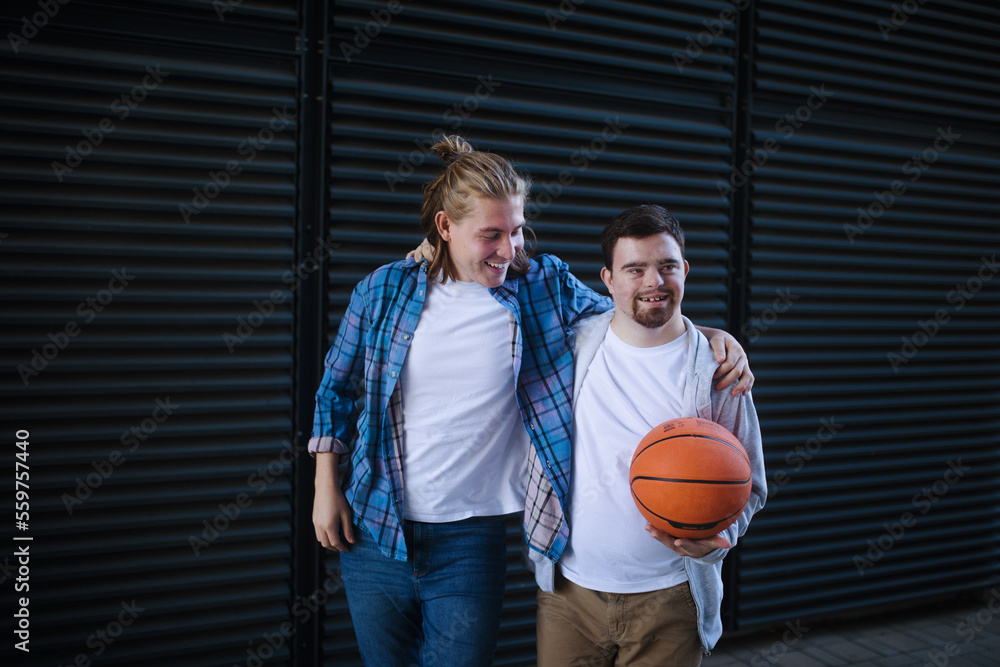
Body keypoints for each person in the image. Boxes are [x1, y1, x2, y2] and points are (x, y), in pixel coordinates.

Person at [309, 136, 753, 666]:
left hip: (471, 535)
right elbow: (335, 388)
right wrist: (325, 485)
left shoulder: (542, 287)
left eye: (517, 231)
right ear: (446, 227)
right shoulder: (384, 291)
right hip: (374, 522)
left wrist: (708, 336)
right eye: (490, 235)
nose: (510, 249)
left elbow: (634, 316)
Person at [531, 204, 767, 666]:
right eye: (634, 269)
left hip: (671, 598)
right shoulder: (571, 348)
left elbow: (750, 485)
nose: (653, 282)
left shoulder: (718, 372)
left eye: (666, 267)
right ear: (608, 278)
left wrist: (717, 539)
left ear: (685, 271)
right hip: (568, 594)